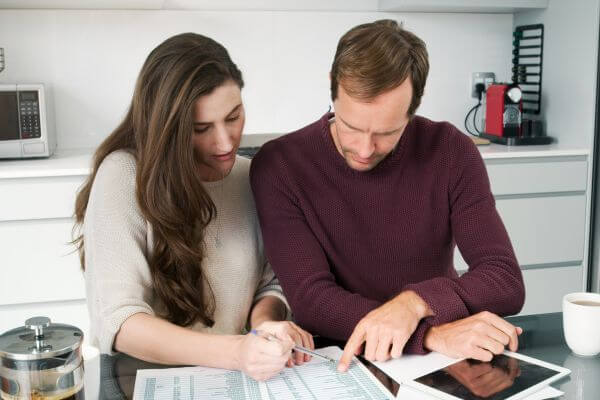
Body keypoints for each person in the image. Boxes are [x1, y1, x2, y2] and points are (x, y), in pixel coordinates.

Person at [249, 20, 525, 372]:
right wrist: (426, 334)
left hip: (440, 359)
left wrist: (413, 304)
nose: (365, 149)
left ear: (413, 109)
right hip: (339, 358)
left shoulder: (450, 150)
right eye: (351, 127)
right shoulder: (280, 165)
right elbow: (311, 300)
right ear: (332, 88)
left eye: (387, 133)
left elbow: (504, 280)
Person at [72, 33, 313, 381]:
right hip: (138, 380)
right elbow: (120, 321)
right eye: (201, 128)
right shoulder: (123, 174)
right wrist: (236, 352)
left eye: (233, 117)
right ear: (167, 129)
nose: (226, 142)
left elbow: (270, 284)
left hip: (229, 377)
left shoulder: (250, 176)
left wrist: (266, 326)